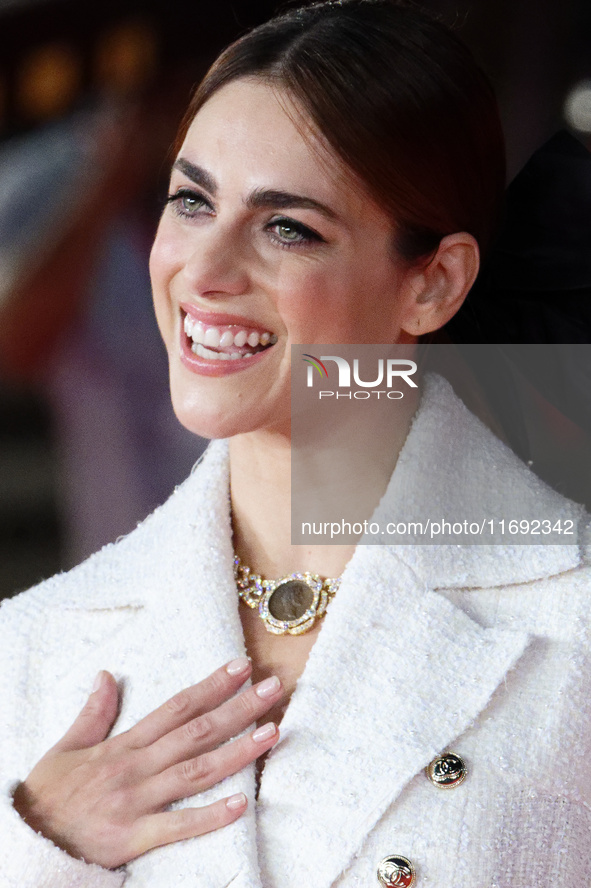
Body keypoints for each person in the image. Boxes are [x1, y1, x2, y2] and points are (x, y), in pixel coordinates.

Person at [1, 1, 590, 886]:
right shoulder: (37, 647)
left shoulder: (569, 624)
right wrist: (45, 852)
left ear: (432, 285)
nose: (203, 272)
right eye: (191, 202)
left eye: (287, 228)